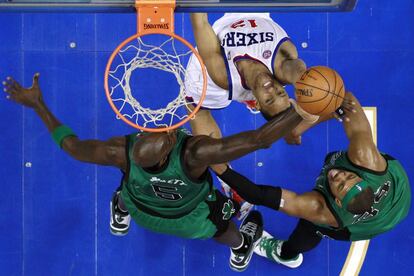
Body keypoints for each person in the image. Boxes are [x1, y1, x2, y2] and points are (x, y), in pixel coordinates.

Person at [3, 73, 316, 272]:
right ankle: (241, 248)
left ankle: (120, 210)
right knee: (225, 228)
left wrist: (38, 105)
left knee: (127, 192)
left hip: (142, 210)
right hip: (191, 220)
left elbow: (71, 146)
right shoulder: (193, 154)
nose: (163, 129)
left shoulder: (120, 152)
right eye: (164, 135)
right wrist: (300, 111)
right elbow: (257, 140)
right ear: (169, 148)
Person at [212, 92, 411, 268]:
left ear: (338, 201)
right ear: (361, 175)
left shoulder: (320, 209)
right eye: (349, 175)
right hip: (399, 194)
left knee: (312, 226)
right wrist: (303, 124)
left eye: (340, 185)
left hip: (372, 223)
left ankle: (285, 255)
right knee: (333, 159)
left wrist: (220, 168)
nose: (340, 175)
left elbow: (258, 195)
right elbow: (346, 100)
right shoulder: (365, 157)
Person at [186, 13, 310, 217]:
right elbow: (297, 69)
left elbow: (200, 22)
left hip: (213, 60)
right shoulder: (281, 65)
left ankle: (227, 182)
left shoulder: (220, 75)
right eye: (280, 92)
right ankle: (278, 112)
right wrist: (307, 86)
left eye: (269, 99)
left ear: (257, 102)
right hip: (256, 14)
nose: (272, 89)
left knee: (196, 109)